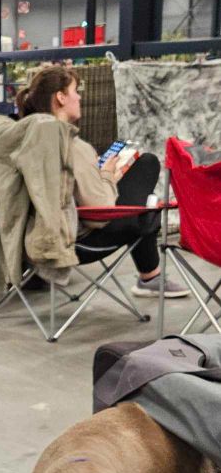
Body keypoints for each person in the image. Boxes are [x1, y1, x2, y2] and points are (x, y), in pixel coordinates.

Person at [17, 65, 188, 298]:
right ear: (60, 97)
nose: (79, 97)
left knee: (144, 201)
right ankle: (151, 276)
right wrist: (107, 175)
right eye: (75, 91)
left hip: (28, 240)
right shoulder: (72, 145)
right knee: (147, 178)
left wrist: (96, 175)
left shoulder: (21, 138)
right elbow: (101, 213)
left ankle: (151, 276)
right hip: (76, 242)